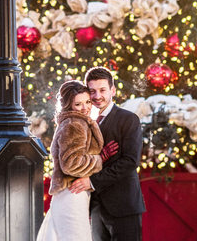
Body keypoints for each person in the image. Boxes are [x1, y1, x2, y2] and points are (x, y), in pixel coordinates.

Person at [69, 66, 145, 241]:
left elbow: (130, 161)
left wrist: (92, 181)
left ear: (112, 90)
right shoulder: (85, 121)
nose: (97, 96)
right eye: (92, 91)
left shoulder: (128, 119)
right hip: (96, 206)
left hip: (123, 206)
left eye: (102, 90)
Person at [37, 80, 119, 241]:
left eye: (87, 102)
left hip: (70, 192)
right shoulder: (75, 124)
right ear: (69, 106)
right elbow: (71, 164)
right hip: (72, 192)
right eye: (78, 104)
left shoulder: (75, 122)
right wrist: (100, 159)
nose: (85, 108)